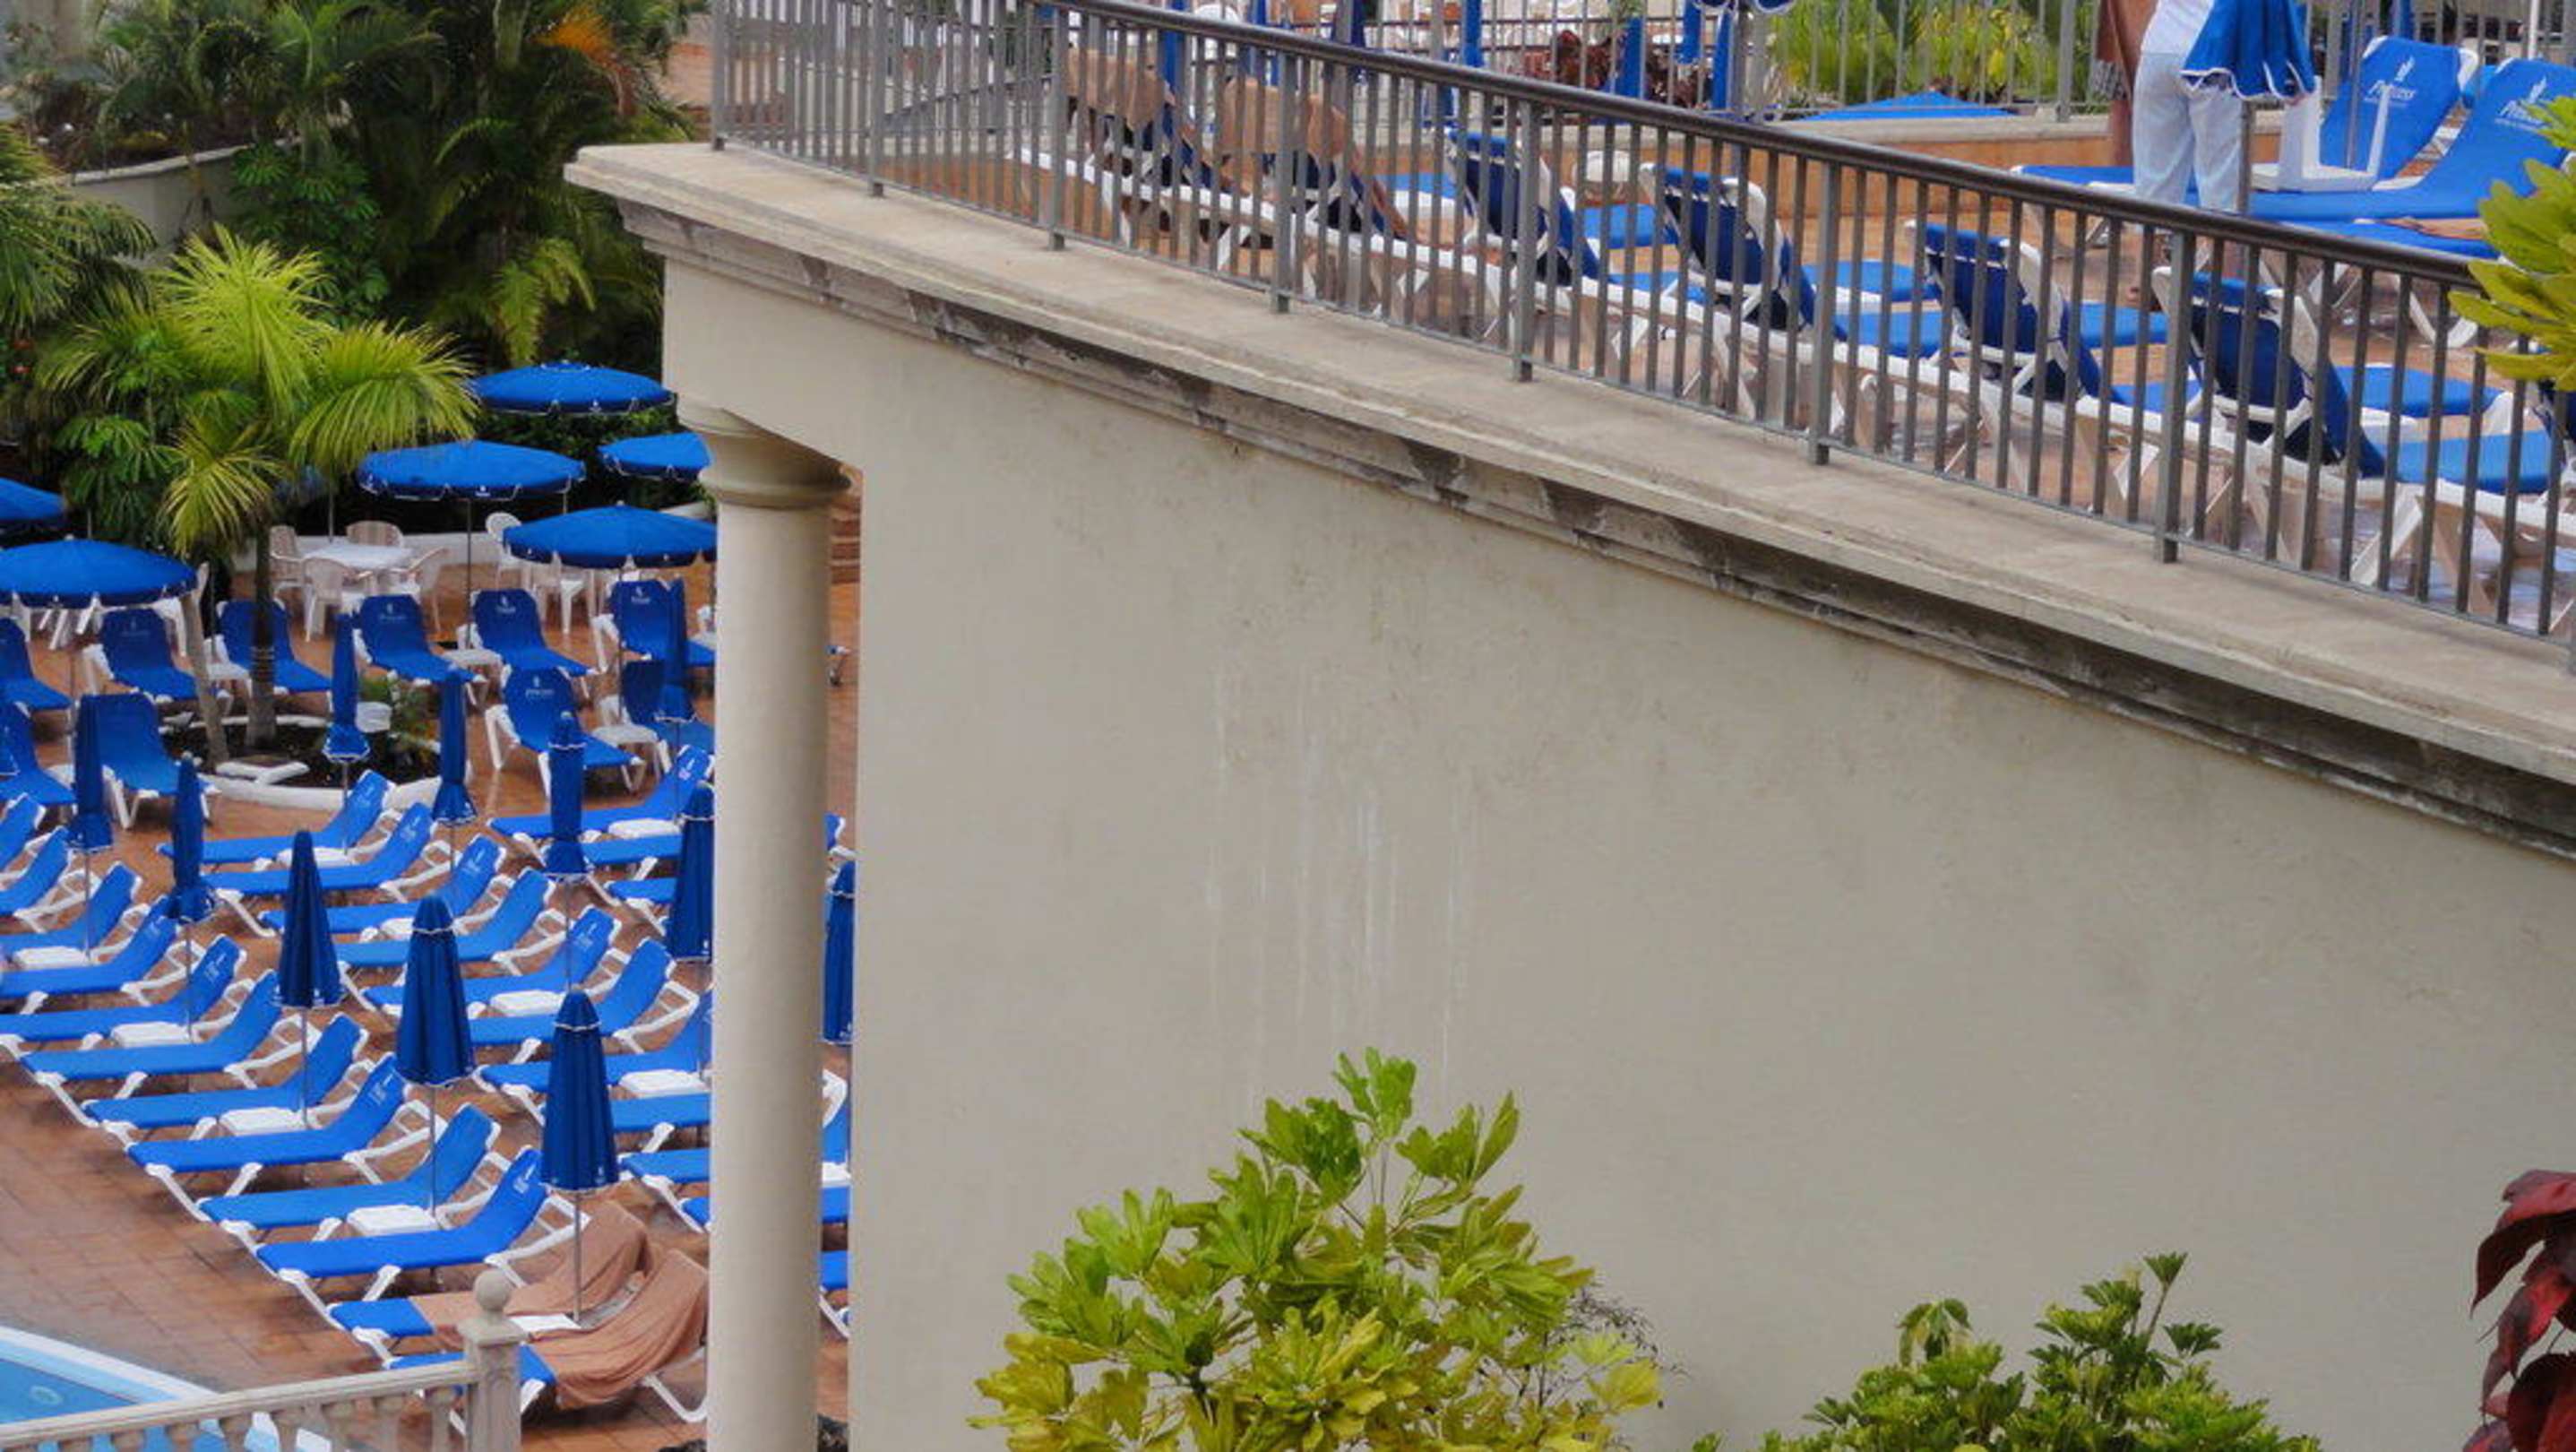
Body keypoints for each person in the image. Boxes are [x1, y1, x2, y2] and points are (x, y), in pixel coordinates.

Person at [2132, 0, 2244, 212]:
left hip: (2160, 45)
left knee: (2155, 177)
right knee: (2219, 174)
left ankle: (2151, 232)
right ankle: (2218, 232)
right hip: (2214, 49)